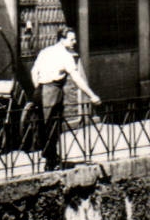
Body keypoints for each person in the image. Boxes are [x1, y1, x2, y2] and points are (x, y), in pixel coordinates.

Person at [31, 27, 100, 170]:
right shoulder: (66, 56)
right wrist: (92, 95)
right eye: (71, 39)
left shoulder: (45, 51)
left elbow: (34, 71)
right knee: (52, 127)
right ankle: (51, 162)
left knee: (42, 126)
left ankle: (51, 158)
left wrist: (39, 86)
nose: (74, 42)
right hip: (52, 92)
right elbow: (77, 79)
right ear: (62, 39)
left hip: (39, 91)